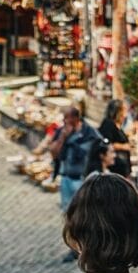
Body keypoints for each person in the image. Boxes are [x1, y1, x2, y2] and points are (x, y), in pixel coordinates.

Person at [49, 107, 100, 260]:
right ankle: (75, 248)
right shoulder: (62, 132)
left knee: (85, 216)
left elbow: (100, 146)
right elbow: (53, 152)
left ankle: (88, 247)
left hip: (82, 180)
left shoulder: (89, 132)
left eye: (66, 118)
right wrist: (63, 138)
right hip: (66, 178)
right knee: (69, 216)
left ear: (75, 118)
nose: (64, 121)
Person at [98, 99, 131, 177]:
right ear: (118, 112)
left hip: (121, 168)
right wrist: (124, 146)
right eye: (124, 112)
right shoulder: (108, 124)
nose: (125, 115)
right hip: (114, 168)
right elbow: (106, 143)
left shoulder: (117, 125)